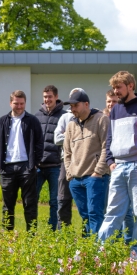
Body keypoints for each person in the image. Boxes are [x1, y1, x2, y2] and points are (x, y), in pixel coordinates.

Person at [98, 72, 137, 258]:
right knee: (112, 211)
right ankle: (100, 250)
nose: (116, 92)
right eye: (114, 88)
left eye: (119, 87)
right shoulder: (115, 110)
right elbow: (110, 137)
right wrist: (110, 161)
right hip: (118, 167)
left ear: (130, 86)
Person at [0, 90, 44, 231]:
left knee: (30, 203)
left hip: (27, 167)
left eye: (22, 103)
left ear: (25, 103)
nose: (19, 106)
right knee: (7, 205)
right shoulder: (2, 121)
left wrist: (35, 163)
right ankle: (8, 237)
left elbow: (40, 142)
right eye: (16, 103)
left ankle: (31, 236)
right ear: (10, 103)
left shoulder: (32, 121)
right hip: (7, 168)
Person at [62, 89, 110, 235]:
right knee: (85, 216)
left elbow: (106, 147)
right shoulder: (71, 125)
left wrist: (98, 172)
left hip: (95, 177)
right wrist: (70, 174)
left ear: (86, 104)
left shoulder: (101, 119)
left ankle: (98, 250)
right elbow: (67, 152)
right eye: (71, 106)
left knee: (95, 214)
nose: (72, 109)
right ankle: (88, 247)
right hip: (76, 180)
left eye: (75, 105)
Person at [53, 87, 86, 228]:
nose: (73, 105)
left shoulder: (90, 116)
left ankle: (87, 235)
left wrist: (68, 135)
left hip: (85, 161)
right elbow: (56, 138)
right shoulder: (65, 117)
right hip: (66, 162)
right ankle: (63, 233)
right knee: (63, 198)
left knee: (86, 201)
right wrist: (73, 135)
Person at [35, 85, 64, 229]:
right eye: (45, 97)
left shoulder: (64, 116)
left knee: (55, 200)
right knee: (32, 198)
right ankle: (32, 228)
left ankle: (54, 229)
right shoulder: (36, 116)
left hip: (56, 166)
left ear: (56, 97)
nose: (47, 99)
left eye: (50, 97)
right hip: (38, 166)